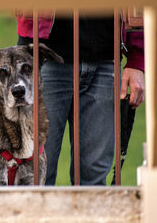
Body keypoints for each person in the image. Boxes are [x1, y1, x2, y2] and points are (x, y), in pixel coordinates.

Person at [16, 10, 145, 185]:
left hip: (106, 60)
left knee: (94, 178)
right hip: (44, 56)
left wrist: (137, 58)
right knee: (36, 175)